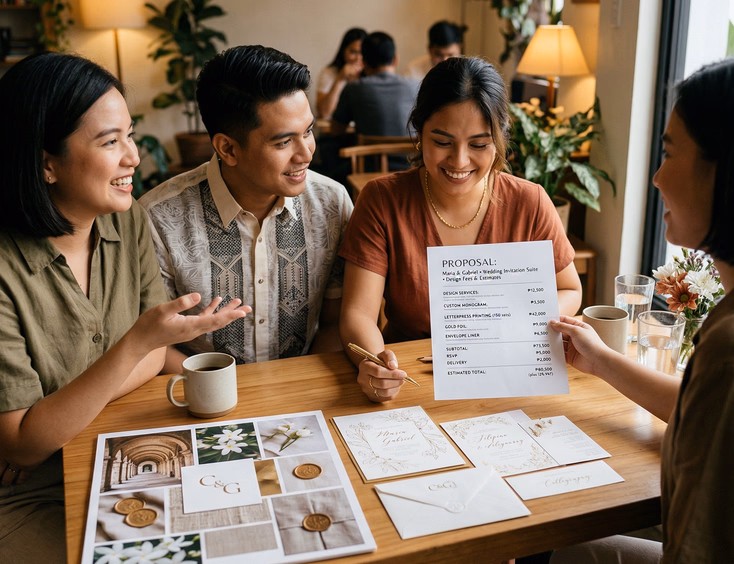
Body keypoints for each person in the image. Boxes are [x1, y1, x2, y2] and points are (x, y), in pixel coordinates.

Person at [0, 52, 249, 562]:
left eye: (129, 135)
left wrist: (59, 415)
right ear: (46, 162)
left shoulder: (126, 220)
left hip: (124, 456)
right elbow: (24, 447)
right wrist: (135, 346)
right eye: (110, 142)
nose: (133, 156)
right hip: (34, 493)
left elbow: (157, 358)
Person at [548, 59, 734, 563]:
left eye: (669, 152)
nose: (655, 177)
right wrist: (603, 360)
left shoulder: (727, 345)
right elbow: (698, 410)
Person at [339, 56, 582, 402]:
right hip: (410, 379)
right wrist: (376, 363)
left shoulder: (530, 202)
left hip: (507, 375)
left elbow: (569, 288)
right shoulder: (382, 199)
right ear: (419, 131)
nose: (460, 161)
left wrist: (508, 331)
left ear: (498, 139)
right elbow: (358, 314)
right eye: (442, 142)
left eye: (479, 145)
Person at [141, 45, 353, 374]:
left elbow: (334, 322)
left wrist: (294, 393)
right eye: (284, 142)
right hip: (196, 398)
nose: (306, 154)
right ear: (228, 148)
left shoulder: (331, 203)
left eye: (308, 132)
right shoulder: (158, 218)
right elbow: (151, 342)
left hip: (305, 394)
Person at [331, 31, 420, 138]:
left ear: (364, 62)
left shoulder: (353, 89)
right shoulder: (416, 87)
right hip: (410, 154)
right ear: (395, 60)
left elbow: (336, 130)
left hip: (369, 154)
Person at [316, 27, 367, 119]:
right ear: (343, 51)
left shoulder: (372, 76)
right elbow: (325, 113)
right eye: (353, 52)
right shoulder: (329, 73)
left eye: (363, 53)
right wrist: (340, 79)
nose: (358, 58)